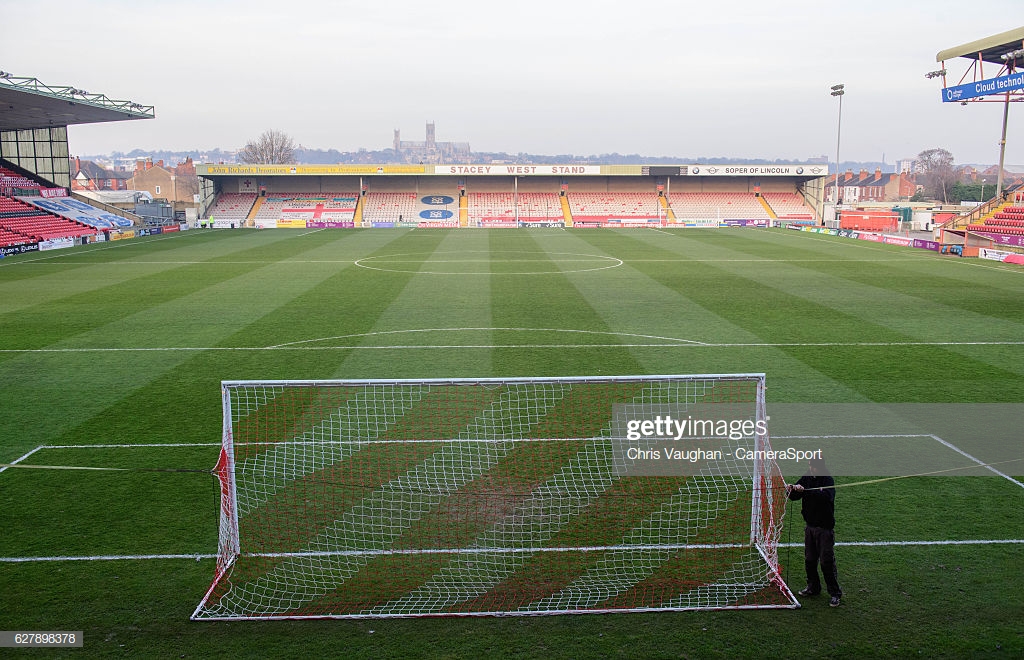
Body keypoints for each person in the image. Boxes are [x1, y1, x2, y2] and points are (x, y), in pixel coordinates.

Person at [787, 458, 842, 607]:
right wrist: (791, 489)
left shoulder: (827, 479)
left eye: (813, 467)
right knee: (810, 560)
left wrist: (805, 491)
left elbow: (826, 498)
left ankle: (835, 593)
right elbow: (795, 497)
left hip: (824, 529)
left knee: (826, 562)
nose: (811, 470)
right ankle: (813, 587)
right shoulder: (807, 477)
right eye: (810, 467)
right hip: (810, 527)